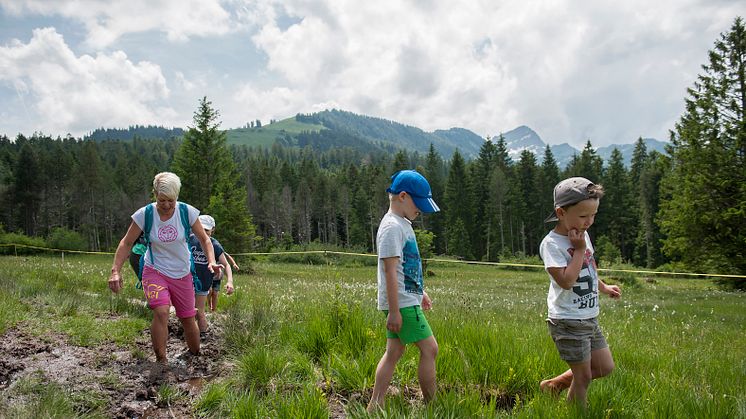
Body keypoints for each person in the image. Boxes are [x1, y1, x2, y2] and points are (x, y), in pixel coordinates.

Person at [108, 172, 221, 364]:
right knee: (161, 312)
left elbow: (205, 240)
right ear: (154, 195)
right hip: (155, 270)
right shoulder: (145, 214)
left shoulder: (187, 212)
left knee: (187, 318)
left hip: (182, 273)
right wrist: (115, 271)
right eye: (162, 201)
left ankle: (195, 355)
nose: (167, 206)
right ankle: (161, 361)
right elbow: (126, 243)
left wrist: (211, 261)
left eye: (171, 200)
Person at [538, 177, 622, 407]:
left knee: (604, 367)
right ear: (561, 212)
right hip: (567, 320)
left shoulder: (581, 236)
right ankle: (576, 412)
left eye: (593, 215)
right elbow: (566, 281)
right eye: (583, 216)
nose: (589, 222)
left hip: (588, 317)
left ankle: (554, 385)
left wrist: (604, 287)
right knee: (583, 377)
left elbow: (589, 268)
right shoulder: (552, 244)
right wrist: (579, 250)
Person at [368, 170, 440, 412]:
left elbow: (405, 269)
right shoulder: (391, 227)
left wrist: (421, 292)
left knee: (394, 351)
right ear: (402, 196)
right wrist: (395, 311)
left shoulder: (403, 224)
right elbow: (389, 271)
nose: (420, 212)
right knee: (430, 349)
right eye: (418, 205)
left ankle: (375, 405)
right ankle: (432, 405)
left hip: (408, 299)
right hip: (402, 304)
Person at [189, 214, 234, 335]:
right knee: (187, 311)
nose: (203, 233)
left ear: (212, 230)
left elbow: (227, 265)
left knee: (199, 311)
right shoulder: (190, 239)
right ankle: (189, 333)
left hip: (203, 283)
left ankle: (203, 334)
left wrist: (230, 281)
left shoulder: (214, 245)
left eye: (206, 230)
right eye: (201, 229)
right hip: (186, 281)